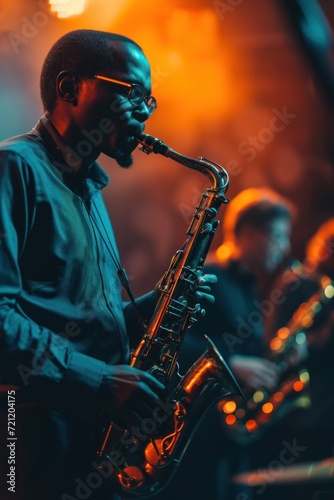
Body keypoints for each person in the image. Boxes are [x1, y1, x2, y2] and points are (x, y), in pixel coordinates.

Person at [0, 29, 216, 500]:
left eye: (149, 100)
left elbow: (76, 321)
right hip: (27, 434)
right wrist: (97, 380)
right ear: (69, 87)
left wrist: (157, 304)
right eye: (131, 93)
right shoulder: (13, 168)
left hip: (85, 436)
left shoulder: (91, 189)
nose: (144, 110)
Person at [158, 186, 300, 500]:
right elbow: (170, 344)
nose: (286, 247)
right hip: (196, 438)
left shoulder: (250, 287)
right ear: (249, 233)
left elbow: (247, 351)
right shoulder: (206, 276)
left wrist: (280, 357)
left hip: (229, 435)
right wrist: (233, 365)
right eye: (278, 236)